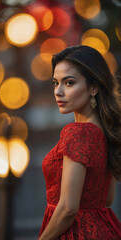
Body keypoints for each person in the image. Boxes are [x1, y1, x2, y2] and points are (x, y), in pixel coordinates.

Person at [38, 45, 121, 240]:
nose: (58, 92)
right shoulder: (105, 131)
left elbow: (67, 208)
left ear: (93, 87)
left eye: (69, 83)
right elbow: (106, 200)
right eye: (55, 83)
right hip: (104, 230)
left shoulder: (79, 133)